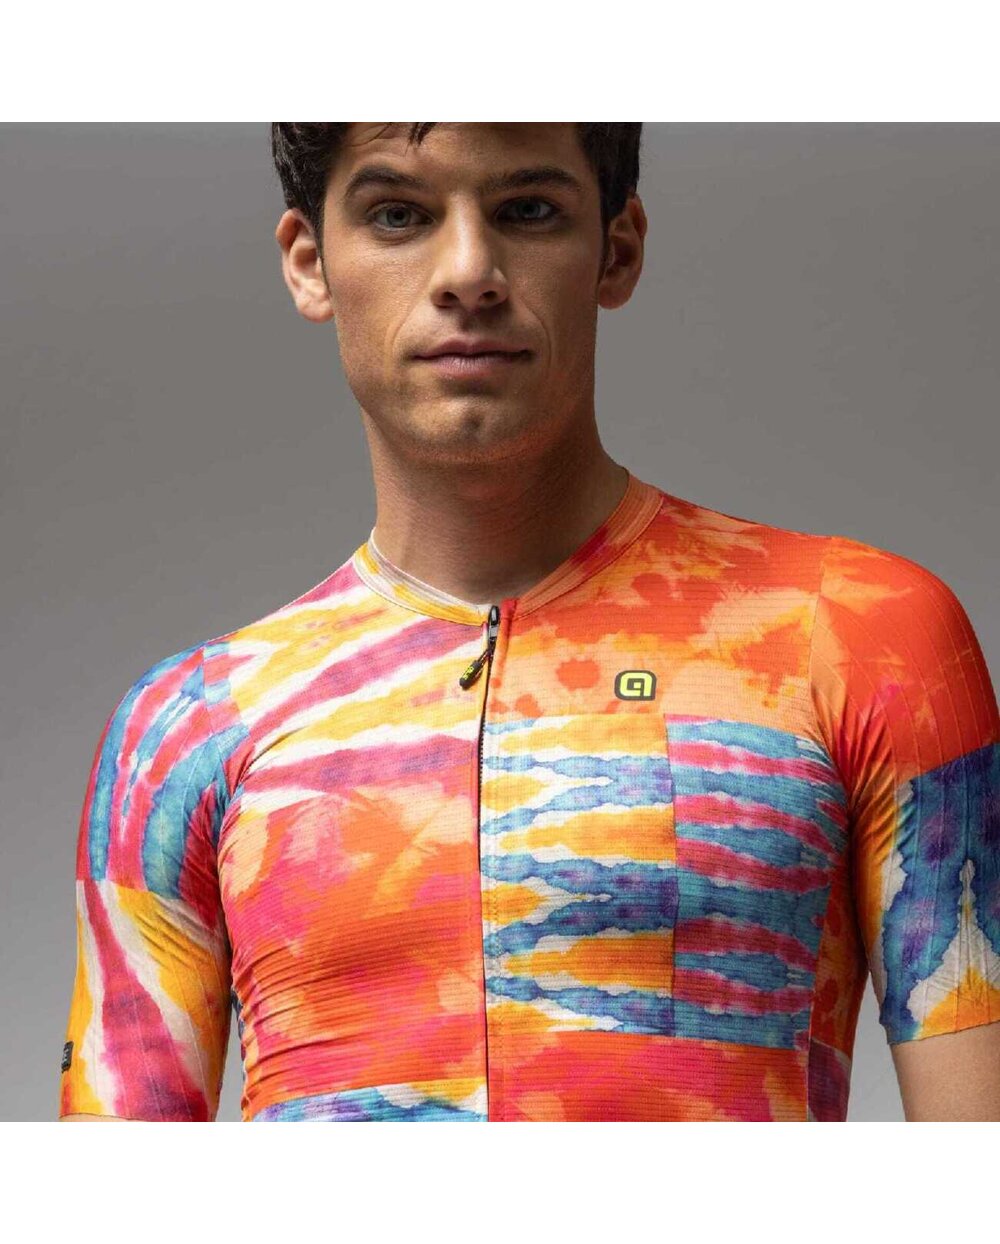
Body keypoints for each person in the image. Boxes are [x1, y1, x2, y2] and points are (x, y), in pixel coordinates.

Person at [58, 122, 1000, 1122]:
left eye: (528, 210)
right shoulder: (185, 730)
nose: (469, 271)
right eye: (397, 215)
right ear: (309, 262)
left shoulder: (857, 635)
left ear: (616, 251)